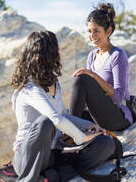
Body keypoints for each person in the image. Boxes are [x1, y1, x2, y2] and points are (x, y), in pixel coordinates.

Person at [9, 30, 115, 182]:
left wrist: (89, 126)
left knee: (106, 144)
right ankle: (31, 179)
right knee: (45, 122)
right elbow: (55, 119)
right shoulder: (29, 88)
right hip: (28, 158)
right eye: (56, 47)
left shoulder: (53, 82)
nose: (59, 51)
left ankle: (48, 178)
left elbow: (63, 114)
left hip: (53, 153)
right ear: (46, 53)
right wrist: (82, 137)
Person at [70, 2, 133, 131]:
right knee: (64, 115)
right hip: (98, 114)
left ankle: (70, 132)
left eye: (96, 31)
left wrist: (93, 75)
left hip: (118, 116)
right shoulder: (91, 56)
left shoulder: (117, 55)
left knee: (83, 78)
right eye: (89, 31)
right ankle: (70, 129)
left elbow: (118, 98)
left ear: (108, 31)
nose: (92, 36)